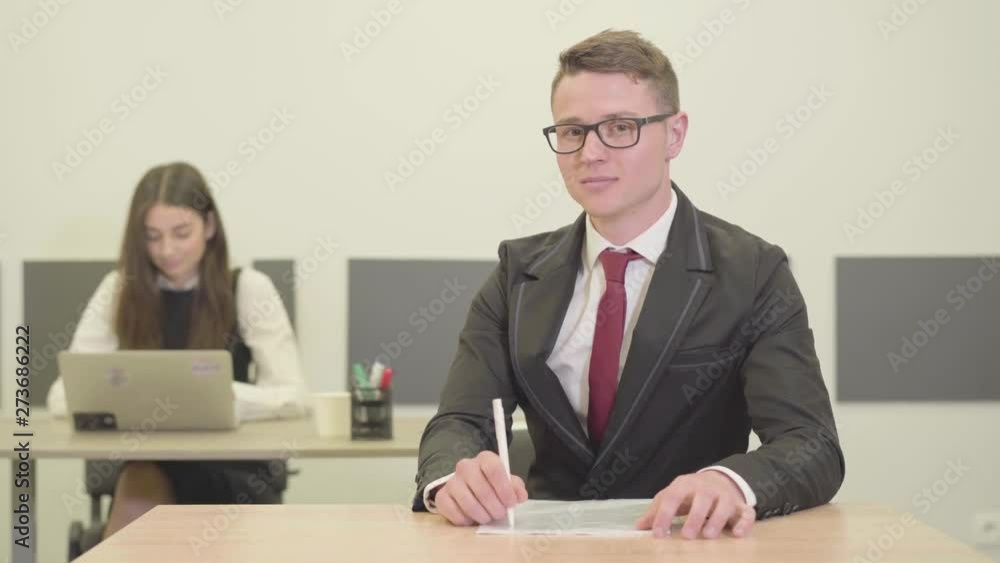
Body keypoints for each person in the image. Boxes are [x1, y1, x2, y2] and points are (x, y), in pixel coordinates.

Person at [413, 30, 844, 540]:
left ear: (675, 134)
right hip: (547, 546)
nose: (590, 152)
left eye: (620, 127)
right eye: (572, 131)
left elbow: (810, 443)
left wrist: (729, 481)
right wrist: (452, 478)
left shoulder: (753, 271)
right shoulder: (516, 273)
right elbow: (459, 422)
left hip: (686, 542)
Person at [46, 161, 308, 539]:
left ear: (210, 226)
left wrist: (222, 397)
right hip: (149, 462)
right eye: (152, 237)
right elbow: (63, 395)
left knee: (145, 497)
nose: (166, 250)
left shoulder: (249, 288)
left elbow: (294, 396)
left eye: (181, 233)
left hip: (232, 468)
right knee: (141, 485)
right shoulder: (118, 290)